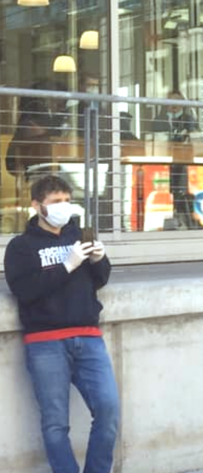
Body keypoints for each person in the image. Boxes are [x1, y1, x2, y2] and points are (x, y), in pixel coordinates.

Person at [4, 175, 118, 473]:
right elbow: (25, 290)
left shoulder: (78, 235)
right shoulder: (21, 247)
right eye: (55, 202)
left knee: (108, 409)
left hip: (89, 336)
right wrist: (66, 265)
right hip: (45, 341)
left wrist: (99, 259)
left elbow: (100, 279)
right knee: (56, 423)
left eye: (67, 201)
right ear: (37, 205)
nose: (63, 207)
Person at [152, 90, 200, 229]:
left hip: (184, 162)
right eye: (171, 101)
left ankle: (185, 219)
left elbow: (197, 138)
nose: (174, 105)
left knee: (183, 192)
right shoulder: (159, 119)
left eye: (177, 101)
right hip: (164, 162)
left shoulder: (188, 119)